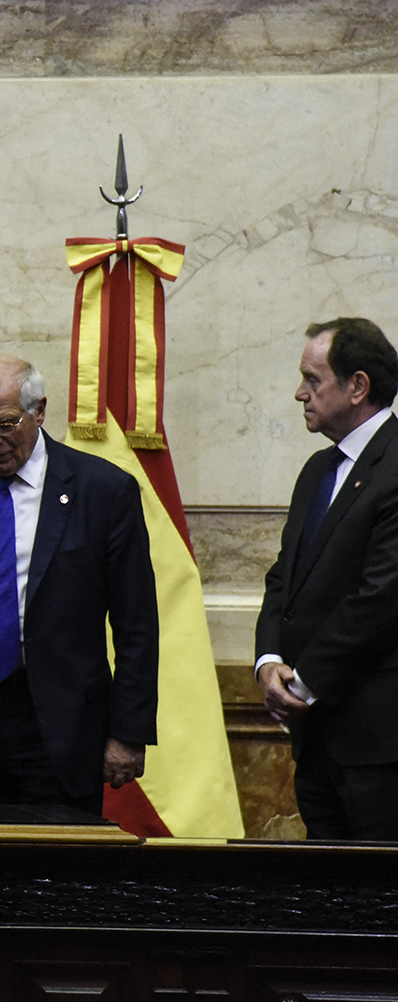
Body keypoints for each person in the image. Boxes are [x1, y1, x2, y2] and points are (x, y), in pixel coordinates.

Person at [0, 354, 158, 815]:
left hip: (63, 725)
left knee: (55, 877)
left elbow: (137, 623)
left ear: (39, 411)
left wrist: (128, 733)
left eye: (4, 424)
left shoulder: (103, 490)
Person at [255, 318, 398, 840]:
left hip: (378, 745)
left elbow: (382, 597)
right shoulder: (317, 470)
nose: (300, 393)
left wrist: (302, 682)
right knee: (326, 903)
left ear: (357, 385)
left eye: (313, 380)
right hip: (315, 739)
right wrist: (268, 661)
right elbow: (283, 578)